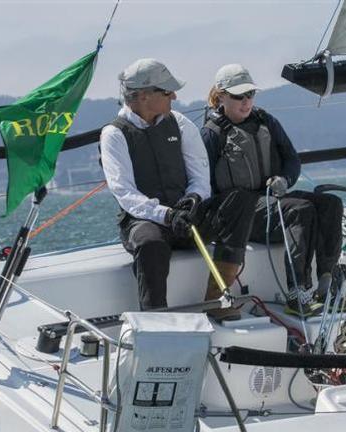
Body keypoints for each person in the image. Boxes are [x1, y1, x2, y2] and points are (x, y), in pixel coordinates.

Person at [100, 59, 257, 317]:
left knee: (240, 200)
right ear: (142, 96)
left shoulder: (181, 123)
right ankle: (156, 321)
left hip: (188, 215)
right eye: (166, 91)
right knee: (149, 242)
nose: (174, 95)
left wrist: (193, 198)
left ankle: (216, 300)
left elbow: (200, 175)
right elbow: (125, 193)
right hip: (146, 221)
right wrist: (167, 215)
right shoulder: (114, 135)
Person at [201, 64, 346, 316]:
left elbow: (292, 159)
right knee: (300, 210)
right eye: (239, 96)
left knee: (330, 204)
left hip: (273, 201)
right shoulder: (211, 134)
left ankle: (326, 287)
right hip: (243, 215)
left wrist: (285, 178)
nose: (246, 101)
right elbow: (204, 185)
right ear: (221, 96)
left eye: (250, 94)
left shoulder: (266, 121)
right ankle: (297, 294)